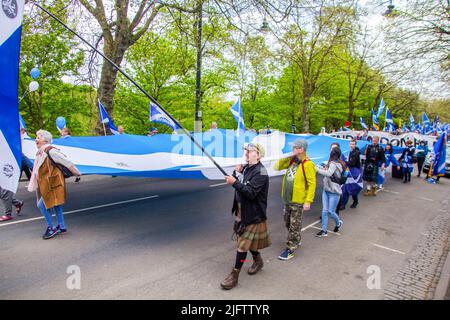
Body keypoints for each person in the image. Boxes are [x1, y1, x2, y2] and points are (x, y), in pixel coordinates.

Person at [221, 143, 270, 290]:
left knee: (242, 245)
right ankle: (258, 260)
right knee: (247, 242)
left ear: (259, 155)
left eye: (250, 151)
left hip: (253, 213)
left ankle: (234, 276)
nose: (247, 153)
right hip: (242, 211)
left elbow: (250, 192)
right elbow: (241, 185)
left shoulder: (261, 172)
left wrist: (235, 182)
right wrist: (236, 174)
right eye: (246, 151)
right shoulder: (247, 168)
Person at [27, 130, 81, 239]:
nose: (36, 139)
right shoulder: (40, 152)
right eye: (36, 137)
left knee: (41, 205)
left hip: (53, 183)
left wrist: (77, 173)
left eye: (38, 137)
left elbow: (66, 162)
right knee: (56, 205)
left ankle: (51, 228)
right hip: (48, 184)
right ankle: (61, 226)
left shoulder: (50, 151)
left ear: (45, 140)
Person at [273, 139, 316, 260]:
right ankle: (296, 239)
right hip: (287, 199)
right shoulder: (292, 161)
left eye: (294, 148)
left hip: (298, 201)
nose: (292, 150)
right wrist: (288, 157)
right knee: (287, 221)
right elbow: (276, 167)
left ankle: (290, 248)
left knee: (294, 225)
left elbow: (312, 184)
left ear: (301, 149)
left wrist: (308, 201)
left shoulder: (308, 164)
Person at [315, 148, 345, 237]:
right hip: (327, 189)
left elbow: (328, 174)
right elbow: (329, 172)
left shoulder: (333, 164)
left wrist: (316, 169)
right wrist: (323, 168)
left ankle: (338, 223)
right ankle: (324, 231)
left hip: (334, 192)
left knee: (331, 212)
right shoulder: (337, 164)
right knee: (324, 211)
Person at [340, 139, 362, 210]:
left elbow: (352, 163)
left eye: (353, 144)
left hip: (355, 173)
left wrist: (343, 162)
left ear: (355, 145)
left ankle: (355, 201)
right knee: (346, 188)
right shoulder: (351, 151)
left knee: (353, 188)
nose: (352, 145)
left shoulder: (356, 153)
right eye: (351, 144)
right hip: (349, 171)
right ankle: (343, 204)